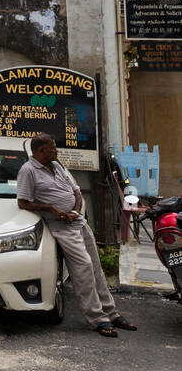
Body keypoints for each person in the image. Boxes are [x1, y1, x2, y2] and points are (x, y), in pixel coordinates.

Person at [17, 132, 136, 337]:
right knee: (84, 268)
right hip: (61, 227)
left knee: (96, 267)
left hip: (77, 221)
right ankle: (97, 319)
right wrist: (53, 209)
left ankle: (112, 313)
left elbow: (77, 192)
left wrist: (74, 211)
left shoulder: (57, 166)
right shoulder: (28, 170)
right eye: (53, 147)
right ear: (41, 150)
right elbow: (23, 202)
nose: (56, 150)